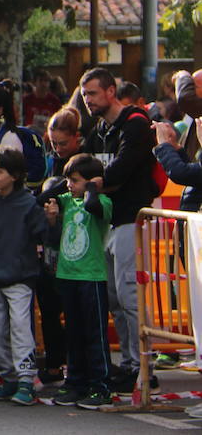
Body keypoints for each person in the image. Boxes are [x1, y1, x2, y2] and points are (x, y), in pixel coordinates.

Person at [78, 66, 156, 390]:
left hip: (131, 219)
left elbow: (122, 169)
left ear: (111, 91)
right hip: (106, 221)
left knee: (130, 296)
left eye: (93, 93)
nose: (88, 101)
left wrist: (96, 183)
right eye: (84, 95)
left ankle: (144, 367)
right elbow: (87, 166)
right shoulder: (99, 130)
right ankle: (128, 363)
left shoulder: (135, 124)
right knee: (114, 298)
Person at [0, 148, 48, 406]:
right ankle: (8, 377)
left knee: (20, 328)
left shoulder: (28, 203)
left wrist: (51, 220)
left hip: (20, 276)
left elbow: (43, 235)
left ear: (15, 175)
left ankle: (26, 379)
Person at [40, 153, 113, 410]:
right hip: (67, 274)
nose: (70, 185)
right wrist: (66, 182)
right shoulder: (66, 200)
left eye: (76, 180)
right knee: (74, 333)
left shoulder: (102, 201)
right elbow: (42, 199)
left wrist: (93, 187)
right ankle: (76, 382)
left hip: (91, 276)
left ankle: (101, 385)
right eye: (69, 180)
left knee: (95, 333)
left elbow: (93, 207)